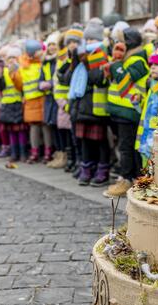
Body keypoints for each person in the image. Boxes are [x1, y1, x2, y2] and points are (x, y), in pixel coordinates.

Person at [104, 27, 150, 197]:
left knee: (127, 148)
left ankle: (128, 180)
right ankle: (129, 178)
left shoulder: (138, 60)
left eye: (120, 40)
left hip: (129, 112)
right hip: (121, 112)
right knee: (125, 147)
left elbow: (124, 81)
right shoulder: (127, 58)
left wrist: (115, 65)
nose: (117, 44)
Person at [68, 19, 111, 187]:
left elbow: (99, 80)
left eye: (93, 39)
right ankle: (86, 167)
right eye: (88, 39)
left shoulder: (101, 54)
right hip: (82, 105)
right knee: (84, 139)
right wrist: (74, 61)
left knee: (99, 140)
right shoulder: (82, 54)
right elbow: (68, 78)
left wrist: (87, 63)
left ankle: (102, 169)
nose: (90, 42)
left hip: (96, 106)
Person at [56, 27, 83, 174]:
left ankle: (80, 162)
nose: (72, 45)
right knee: (71, 135)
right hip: (68, 103)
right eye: (70, 42)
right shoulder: (65, 61)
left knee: (79, 135)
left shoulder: (81, 59)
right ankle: (74, 160)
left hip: (79, 103)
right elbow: (63, 80)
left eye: (75, 42)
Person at [0, 46, 27, 163]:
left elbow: (22, 85)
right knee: (11, 130)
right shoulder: (3, 71)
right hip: (7, 104)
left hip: (18, 103)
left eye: (14, 57)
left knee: (21, 130)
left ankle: (23, 152)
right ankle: (14, 153)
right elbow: (0, 87)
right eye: (9, 58)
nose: (11, 60)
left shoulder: (21, 70)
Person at [135, 53, 158, 168]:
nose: (152, 67)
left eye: (157, 64)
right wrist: (138, 103)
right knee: (146, 166)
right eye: (151, 64)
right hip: (145, 134)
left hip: (155, 135)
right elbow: (146, 112)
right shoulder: (153, 85)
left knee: (154, 167)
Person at [43, 32, 67, 169]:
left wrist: (50, 84)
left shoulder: (59, 59)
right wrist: (43, 84)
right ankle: (58, 153)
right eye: (50, 44)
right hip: (49, 99)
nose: (52, 47)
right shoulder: (46, 62)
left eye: (54, 44)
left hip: (58, 98)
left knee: (60, 127)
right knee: (53, 126)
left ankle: (63, 154)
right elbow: (42, 78)